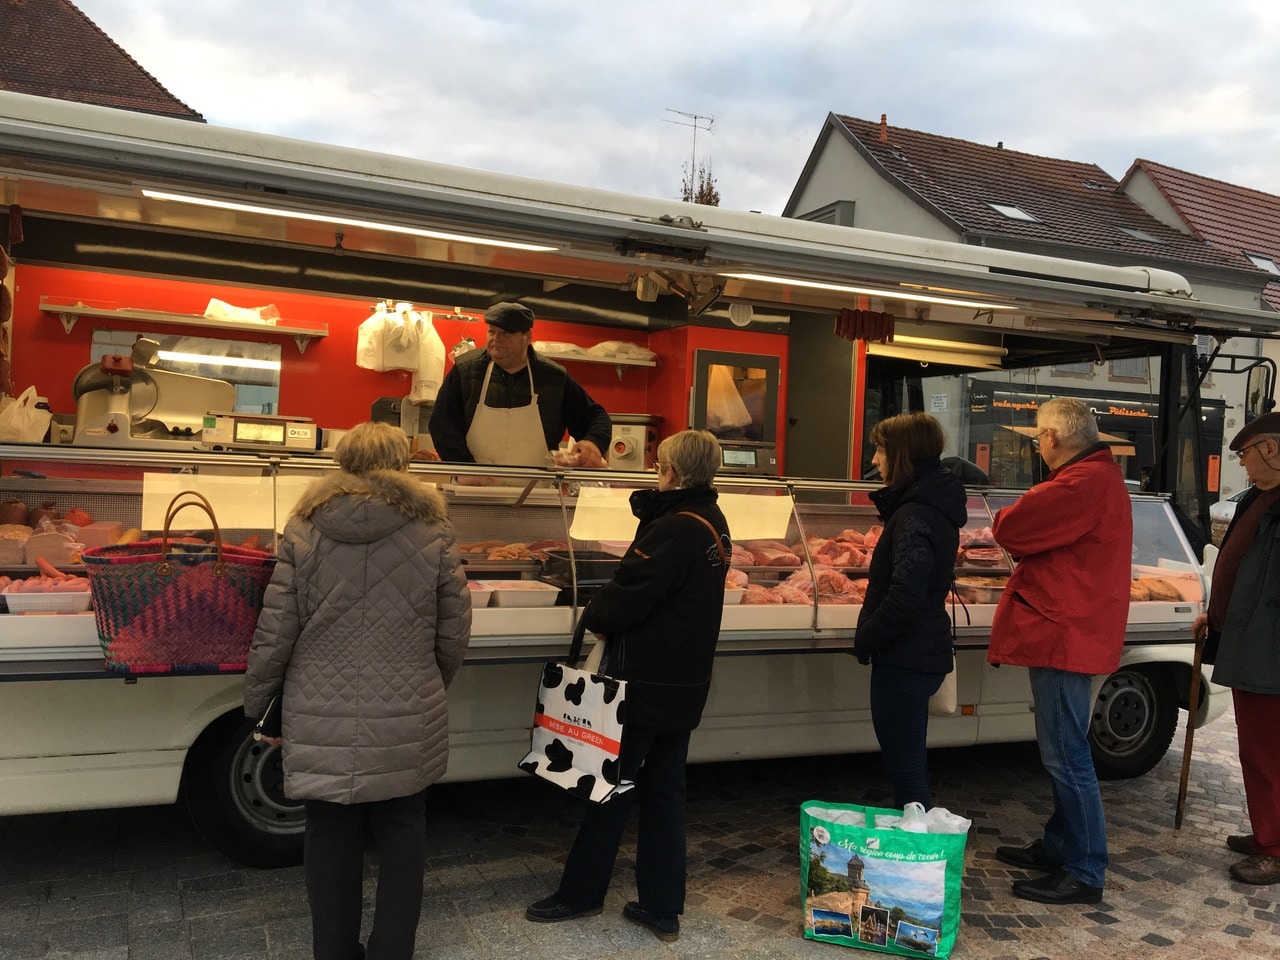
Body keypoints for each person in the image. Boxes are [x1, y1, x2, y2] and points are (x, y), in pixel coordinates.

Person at [243, 422, 472, 960]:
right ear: (401, 465)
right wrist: (430, 681)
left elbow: (276, 628)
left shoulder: (303, 527)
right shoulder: (432, 529)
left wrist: (258, 702)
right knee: (402, 830)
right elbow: (455, 628)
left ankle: (334, 951)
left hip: (318, 705)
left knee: (328, 830)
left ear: (343, 464)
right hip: (406, 704)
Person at [524, 429, 731, 943]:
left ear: (673, 472)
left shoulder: (675, 527)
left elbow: (627, 598)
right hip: (685, 682)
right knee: (665, 792)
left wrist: (594, 611)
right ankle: (661, 907)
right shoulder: (713, 521)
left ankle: (580, 893)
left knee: (607, 785)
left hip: (643, 681)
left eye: (659, 464)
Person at [988, 397, 1132, 905]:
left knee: (1067, 755)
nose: (1036, 444)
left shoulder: (1081, 482)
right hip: (1070, 627)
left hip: (1063, 632)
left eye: (1037, 437)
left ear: (1052, 437)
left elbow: (1011, 527)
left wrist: (1011, 521)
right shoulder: (1098, 475)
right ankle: (1059, 845)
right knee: (1062, 750)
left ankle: (1085, 870)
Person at [853, 413, 966, 810]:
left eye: (881, 448)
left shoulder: (914, 513)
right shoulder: (927, 504)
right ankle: (914, 836)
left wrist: (866, 637)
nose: (875, 458)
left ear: (900, 453)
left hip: (906, 656)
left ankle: (916, 847)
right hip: (919, 650)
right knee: (909, 757)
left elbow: (906, 593)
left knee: (904, 765)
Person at [1191, 412, 1280, 885]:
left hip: (1271, 651)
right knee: (1257, 749)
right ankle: (1268, 831)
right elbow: (1241, 569)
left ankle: (1273, 848)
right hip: (1250, 642)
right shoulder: (1258, 498)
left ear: (1270, 448)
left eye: (1245, 454)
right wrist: (1216, 615)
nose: (1243, 465)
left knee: (1268, 752)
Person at [427, 301, 612, 467]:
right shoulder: (466, 370)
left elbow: (595, 417)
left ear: (527, 336)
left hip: (535, 490)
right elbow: (442, 423)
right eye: (492, 331)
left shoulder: (553, 377)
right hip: (472, 489)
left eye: (505, 333)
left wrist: (593, 442)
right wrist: (465, 468)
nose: (495, 338)